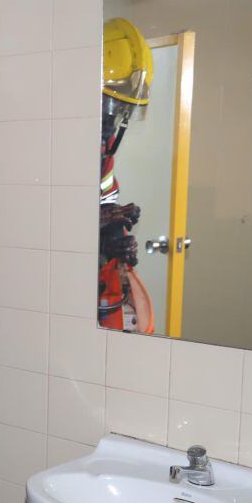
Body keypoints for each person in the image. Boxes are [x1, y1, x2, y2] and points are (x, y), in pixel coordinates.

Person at [99, 17, 154, 333]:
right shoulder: (52, 142)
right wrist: (99, 223)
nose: (114, 118)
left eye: (122, 110)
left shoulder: (103, 153)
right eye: (109, 104)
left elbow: (104, 204)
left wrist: (112, 238)